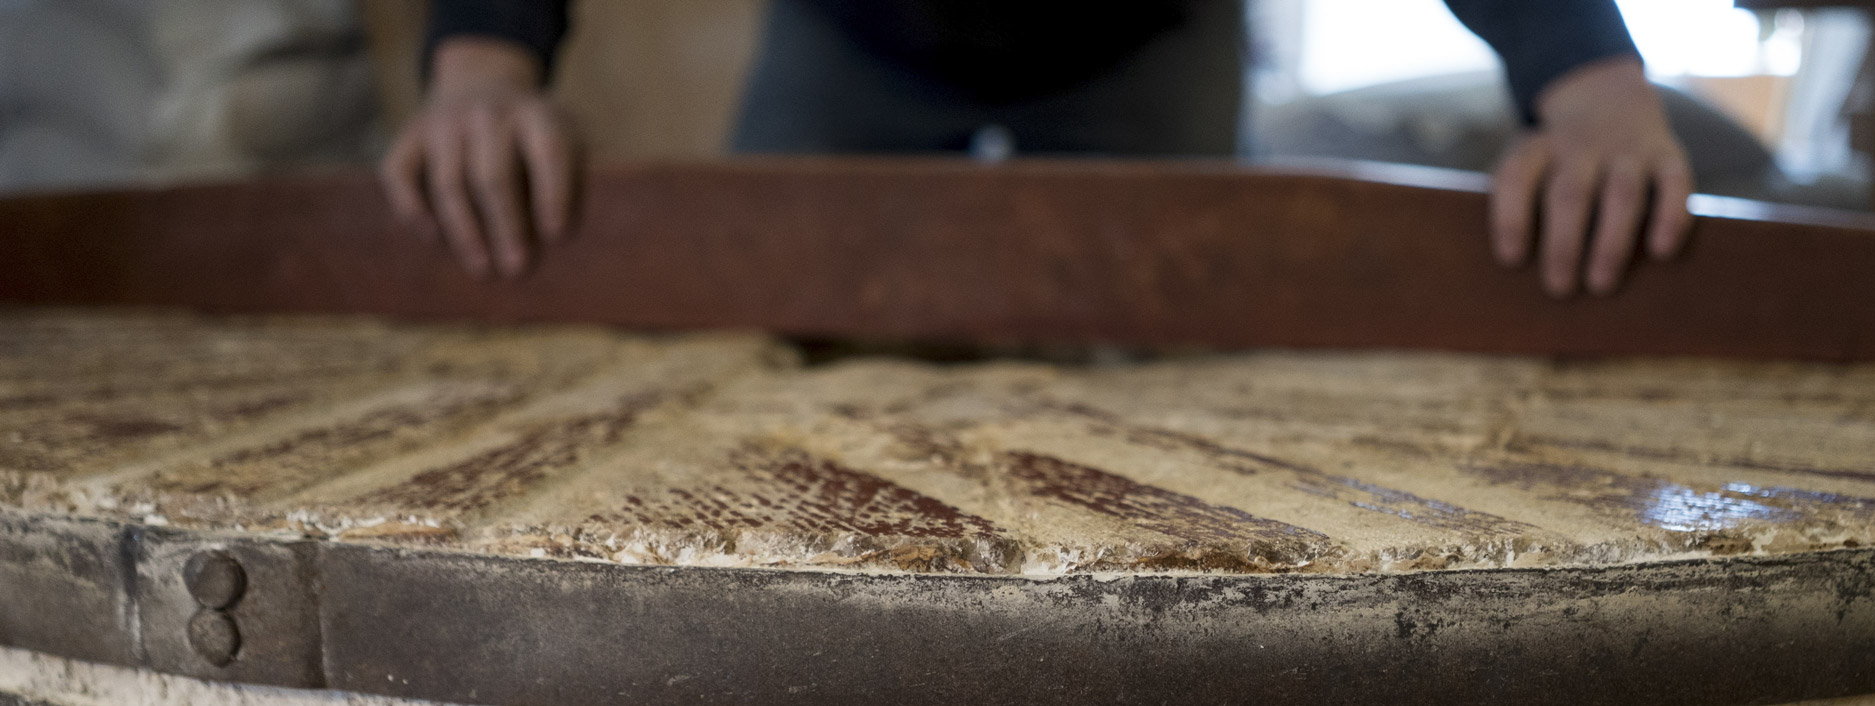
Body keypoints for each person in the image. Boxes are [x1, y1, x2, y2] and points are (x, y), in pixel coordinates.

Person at [383, 0, 1694, 297]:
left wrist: (1588, 83)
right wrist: (484, 67)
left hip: (1139, 33)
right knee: (766, 329)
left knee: (1181, 375)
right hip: (859, 34)